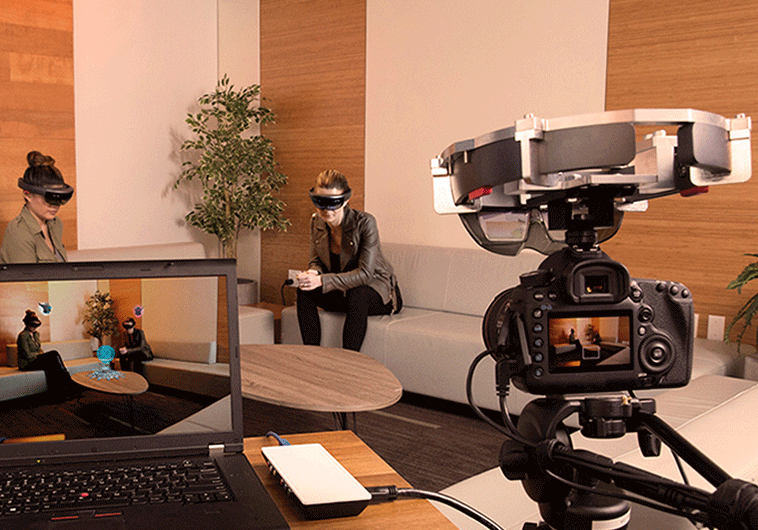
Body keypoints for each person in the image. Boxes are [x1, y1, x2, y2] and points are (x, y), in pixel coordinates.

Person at [296, 170, 402, 351]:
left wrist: (322, 280)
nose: (326, 210)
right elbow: (316, 261)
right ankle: (312, 354)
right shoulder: (316, 222)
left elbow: (366, 274)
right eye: (320, 202)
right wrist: (312, 273)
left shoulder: (365, 223)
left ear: (345, 200)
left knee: (357, 294)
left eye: (333, 203)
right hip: (342, 291)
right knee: (304, 291)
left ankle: (348, 360)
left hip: (376, 293)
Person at [0, 151, 74, 263]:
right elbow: (27, 275)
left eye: (59, 199)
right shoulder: (18, 232)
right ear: (27, 195)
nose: (55, 206)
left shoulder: (56, 224)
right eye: (49, 199)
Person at [16, 310, 74, 397]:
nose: (34, 327)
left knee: (52, 363)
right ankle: (68, 383)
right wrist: (38, 355)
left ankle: (61, 390)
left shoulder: (36, 334)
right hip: (27, 364)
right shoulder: (23, 336)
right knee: (53, 354)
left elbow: (40, 350)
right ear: (27, 324)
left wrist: (38, 354)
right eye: (32, 325)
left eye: (36, 325)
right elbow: (27, 355)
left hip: (34, 359)